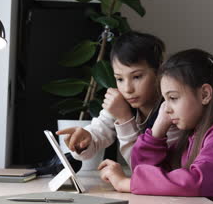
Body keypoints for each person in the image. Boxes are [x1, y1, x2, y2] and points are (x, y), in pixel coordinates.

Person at [98, 49, 213, 204]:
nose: (166, 108)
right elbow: (145, 172)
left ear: (205, 94)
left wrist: (125, 183)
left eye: (173, 98)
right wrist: (156, 133)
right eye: (164, 100)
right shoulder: (191, 134)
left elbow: (196, 183)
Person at [57, 31, 180, 167]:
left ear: (159, 73)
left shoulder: (172, 109)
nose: (127, 89)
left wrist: (124, 119)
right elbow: (97, 134)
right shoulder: (122, 101)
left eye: (137, 77)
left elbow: (143, 169)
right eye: (119, 79)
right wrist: (85, 141)